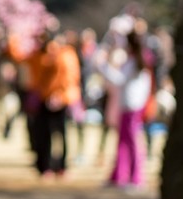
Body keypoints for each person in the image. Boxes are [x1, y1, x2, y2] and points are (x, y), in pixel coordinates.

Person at [8, 27, 81, 178]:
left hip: (60, 99)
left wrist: (60, 95)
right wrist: (13, 38)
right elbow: (19, 58)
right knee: (43, 134)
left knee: (60, 134)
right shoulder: (38, 56)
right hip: (43, 98)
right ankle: (45, 165)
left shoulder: (65, 55)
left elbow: (70, 77)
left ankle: (61, 166)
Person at [97, 30, 152, 189]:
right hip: (127, 105)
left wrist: (104, 67)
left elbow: (119, 80)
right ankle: (119, 175)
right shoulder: (135, 62)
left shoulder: (135, 63)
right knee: (122, 141)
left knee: (132, 141)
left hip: (131, 106)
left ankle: (136, 178)